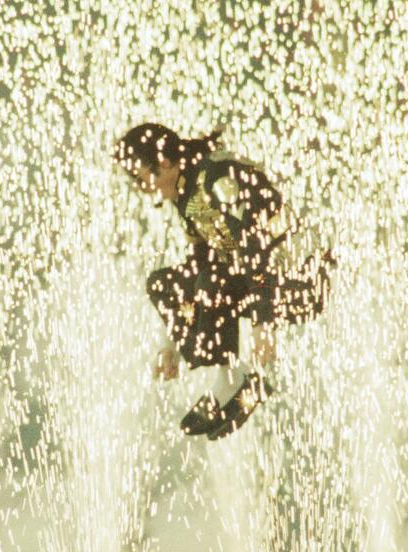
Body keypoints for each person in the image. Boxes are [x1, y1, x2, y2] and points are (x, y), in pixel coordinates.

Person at [112, 123, 336, 440]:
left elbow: (257, 249)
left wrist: (263, 326)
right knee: (166, 284)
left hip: (301, 280)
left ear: (162, 163)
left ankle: (237, 381)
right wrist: (170, 344)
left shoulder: (217, 176)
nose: (139, 187)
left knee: (212, 278)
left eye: (139, 177)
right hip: (260, 278)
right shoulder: (186, 191)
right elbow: (201, 261)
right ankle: (231, 377)